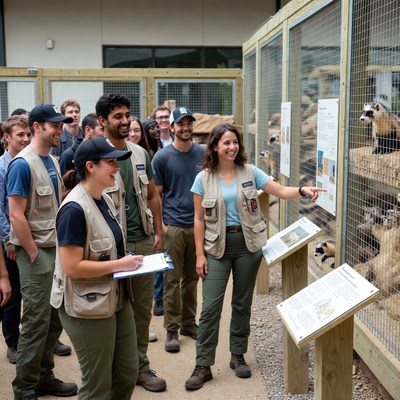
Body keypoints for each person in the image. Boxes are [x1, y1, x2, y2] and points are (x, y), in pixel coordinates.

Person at [185, 123, 325, 390]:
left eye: (235, 142)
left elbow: (281, 191)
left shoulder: (250, 172)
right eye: (226, 142)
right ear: (214, 146)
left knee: (242, 302)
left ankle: (237, 356)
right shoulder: (203, 178)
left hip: (247, 245)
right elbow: (198, 218)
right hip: (216, 248)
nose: (232, 147)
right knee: (211, 307)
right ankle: (203, 364)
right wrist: (199, 254)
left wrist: (304, 191)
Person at [50, 137, 144, 399]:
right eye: (111, 162)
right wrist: (121, 264)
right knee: (97, 384)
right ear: (90, 166)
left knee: (127, 372)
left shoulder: (104, 198)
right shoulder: (73, 209)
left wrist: (129, 261)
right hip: (87, 306)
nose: (117, 168)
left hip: (116, 297)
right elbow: (72, 267)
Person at [6, 103, 78, 400]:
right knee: (35, 322)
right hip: (37, 253)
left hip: (56, 248)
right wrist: (34, 253)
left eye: (62, 126)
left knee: (54, 320)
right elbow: (15, 215)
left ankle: (44, 378)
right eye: (55, 126)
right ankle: (23, 388)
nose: (60, 130)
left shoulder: (53, 160)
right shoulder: (23, 164)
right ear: (38, 127)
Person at [96, 93, 166, 392]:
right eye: (117, 116)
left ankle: (140, 367)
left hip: (141, 242)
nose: (125, 121)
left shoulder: (140, 154)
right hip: (108, 250)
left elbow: (151, 194)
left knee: (140, 310)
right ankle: (115, 371)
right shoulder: (93, 155)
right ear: (102, 122)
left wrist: (159, 230)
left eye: (127, 115)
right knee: (110, 311)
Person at [152, 106, 205, 353]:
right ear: (171, 127)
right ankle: (171, 328)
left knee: (192, 278)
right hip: (173, 226)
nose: (185, 128)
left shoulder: (202, 154)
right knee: (171, 279)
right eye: (180, 124)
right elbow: (157, 194)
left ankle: (188, 323)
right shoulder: (162, 157)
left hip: (197, 225)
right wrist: (160, 227)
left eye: (188, 123)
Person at [0, 115, 31, 364]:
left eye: (27, 134)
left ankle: (36, 336)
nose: (25, 138)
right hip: (9, 242)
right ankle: (13, 341)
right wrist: (10, 239)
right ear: (6, 138)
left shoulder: (28, 162)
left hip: (30, 237)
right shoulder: (2, 167)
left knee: (34, 291)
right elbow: (2, 211)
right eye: (20, 135)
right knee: (13, 294)